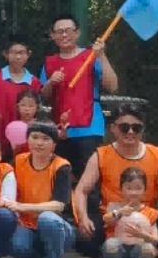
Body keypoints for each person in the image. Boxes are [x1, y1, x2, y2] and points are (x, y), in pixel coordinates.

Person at [72, 105, 158, 258]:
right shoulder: (101, 155)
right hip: (113, 216)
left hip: (145, 217)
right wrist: (83, 218)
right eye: (124, 127)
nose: (130, 132)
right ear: (114, 128)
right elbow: (81, 190)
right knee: (83, 236)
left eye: (136, 128)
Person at [41, 14, 118, 168]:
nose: (64, 35)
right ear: (52, 35)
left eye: (69, 30)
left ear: (78, 33)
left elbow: (112, 86)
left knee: (89, 174)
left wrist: (101, 56)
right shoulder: (50, 62)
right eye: (59, 31)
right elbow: (44, 96)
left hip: (90, 128)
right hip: (60, 130)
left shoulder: (92, 57)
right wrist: (50, 82)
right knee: (62, 174)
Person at [8, 120, 74, 258]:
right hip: (26, 223)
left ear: (54, 144)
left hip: (58, 226)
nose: (39, 143)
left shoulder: (62, 166)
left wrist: (23, 207)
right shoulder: (18, 161)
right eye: (35, 137)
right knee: (15, 243)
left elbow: (59, 205)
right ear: (27, 140)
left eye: (45, 139)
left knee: (47, 219)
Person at [100, 166, 158, 258]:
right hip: (119, 250)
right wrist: (119, 212)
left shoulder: (150, 212)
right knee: (111, 244)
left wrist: (142, 234)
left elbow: (155, 239)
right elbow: (106, 219)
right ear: (121, 189)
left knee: (148, 248)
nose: (133, 192)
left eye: (138, 188)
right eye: (129, 188)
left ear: (145, 190)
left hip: (138, 251)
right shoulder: (114, 207)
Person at [0, 35, 38, 157]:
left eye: (22, 53)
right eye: (14, 52)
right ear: (5, 54)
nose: (18, 57)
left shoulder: (34, 82)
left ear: (29, 54)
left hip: (25, 142)